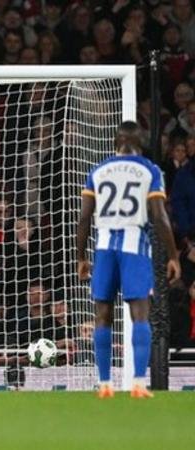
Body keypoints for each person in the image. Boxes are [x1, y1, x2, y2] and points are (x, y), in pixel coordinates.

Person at [76, 120, 181, 399]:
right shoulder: (150, 170)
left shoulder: (98, 170)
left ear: (115, 142)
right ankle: (137, 382)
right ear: (141, 142)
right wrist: (173, 256)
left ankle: (105, 384)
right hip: (136, 246)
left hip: (105, 245)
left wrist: (81, 257)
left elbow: (85, 216)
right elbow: (159, 216)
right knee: (140, 313)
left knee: (102, 314)